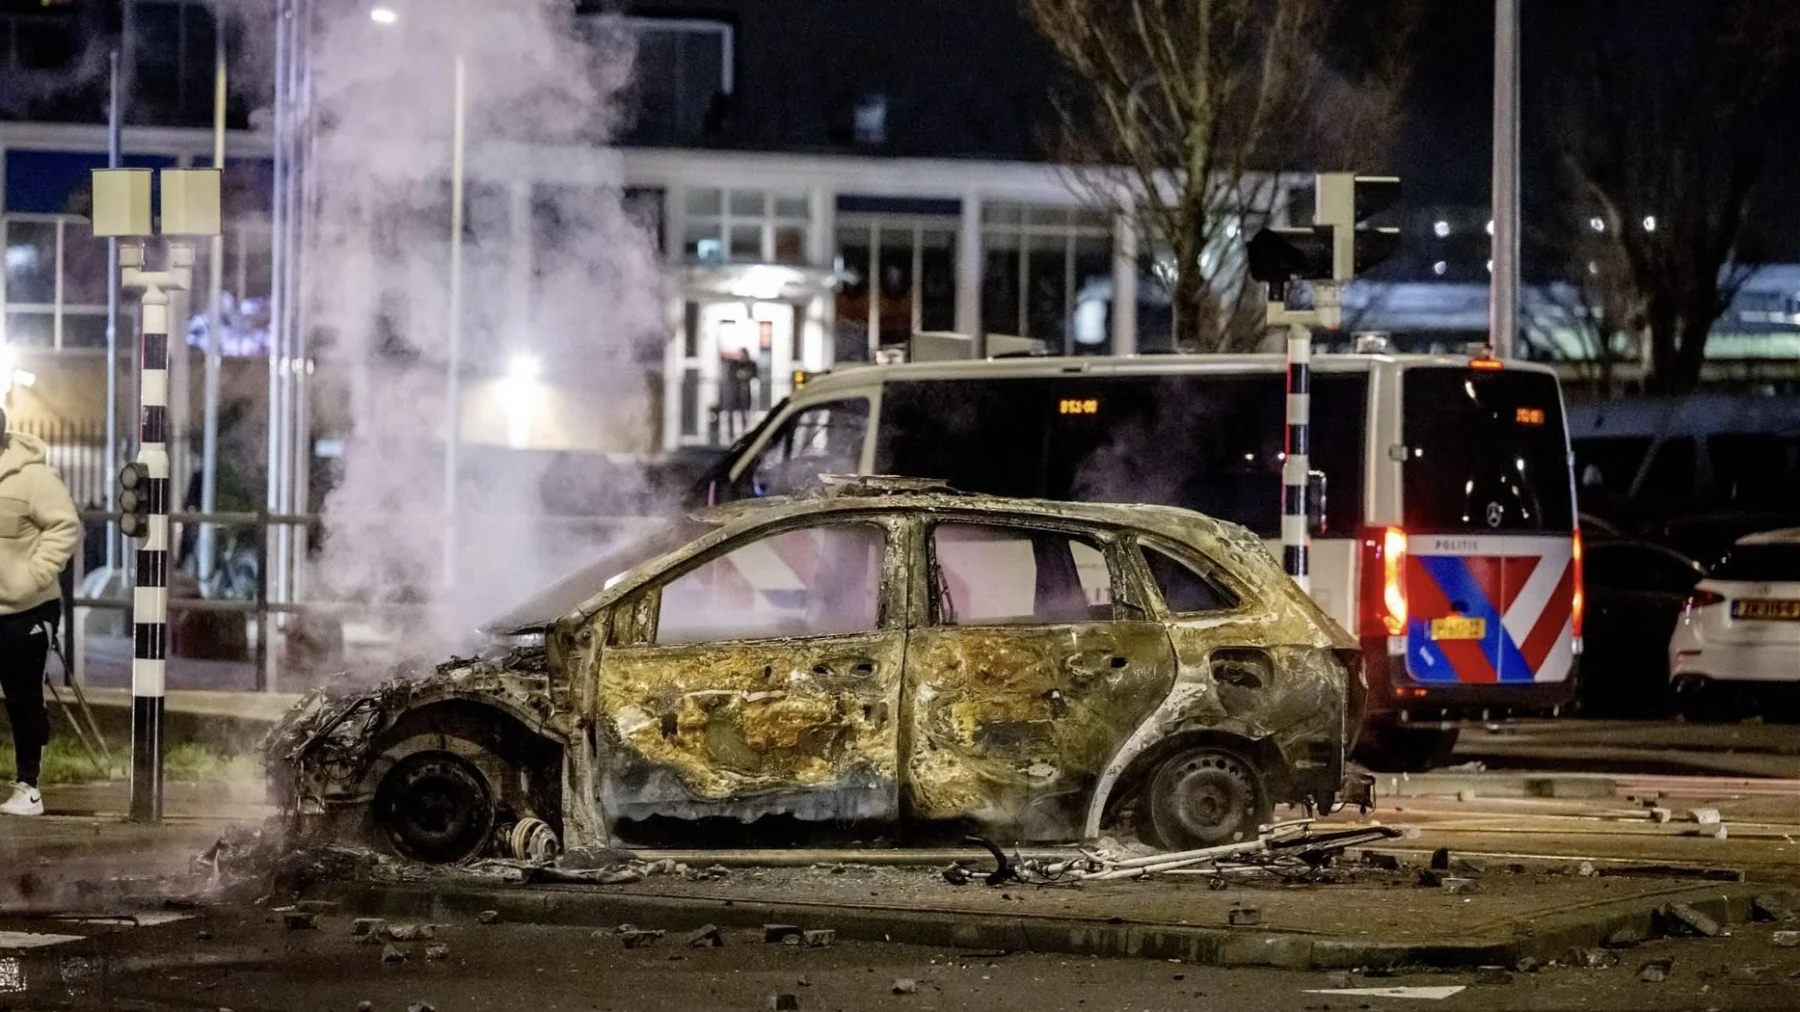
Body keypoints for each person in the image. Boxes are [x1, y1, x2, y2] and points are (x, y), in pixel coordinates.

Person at [0, 407, 79, 816]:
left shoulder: (33, 477)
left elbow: (65, 526)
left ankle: (29, 786)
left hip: (27, 608)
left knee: (23, 696)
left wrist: (33, 575)